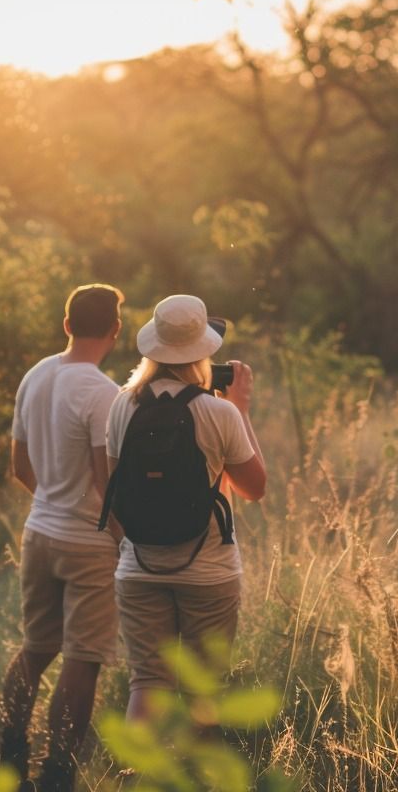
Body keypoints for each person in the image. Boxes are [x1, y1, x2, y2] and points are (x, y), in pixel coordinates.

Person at [105, 294, 266, 720]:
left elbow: (112, 485)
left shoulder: (122, 404)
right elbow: (254, 488)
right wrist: (240, 409)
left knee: (148, 682)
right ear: (204, 353)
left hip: (139, 569)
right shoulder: (219, 412)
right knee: (203, 691)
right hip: (209, 571)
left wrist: (132, 545)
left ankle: (139, 781)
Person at [0, 283, 125, 792]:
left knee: (34, 648)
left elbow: (18, 465)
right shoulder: (103, 393)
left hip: (39, 532)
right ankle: (58, 773)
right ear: (115, 332)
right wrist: (127, 541)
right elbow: (106, 483)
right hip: (88, 545)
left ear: (67, 323)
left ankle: (10, 751)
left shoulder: (36, 376)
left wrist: (51, 497)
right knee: (83, 658)